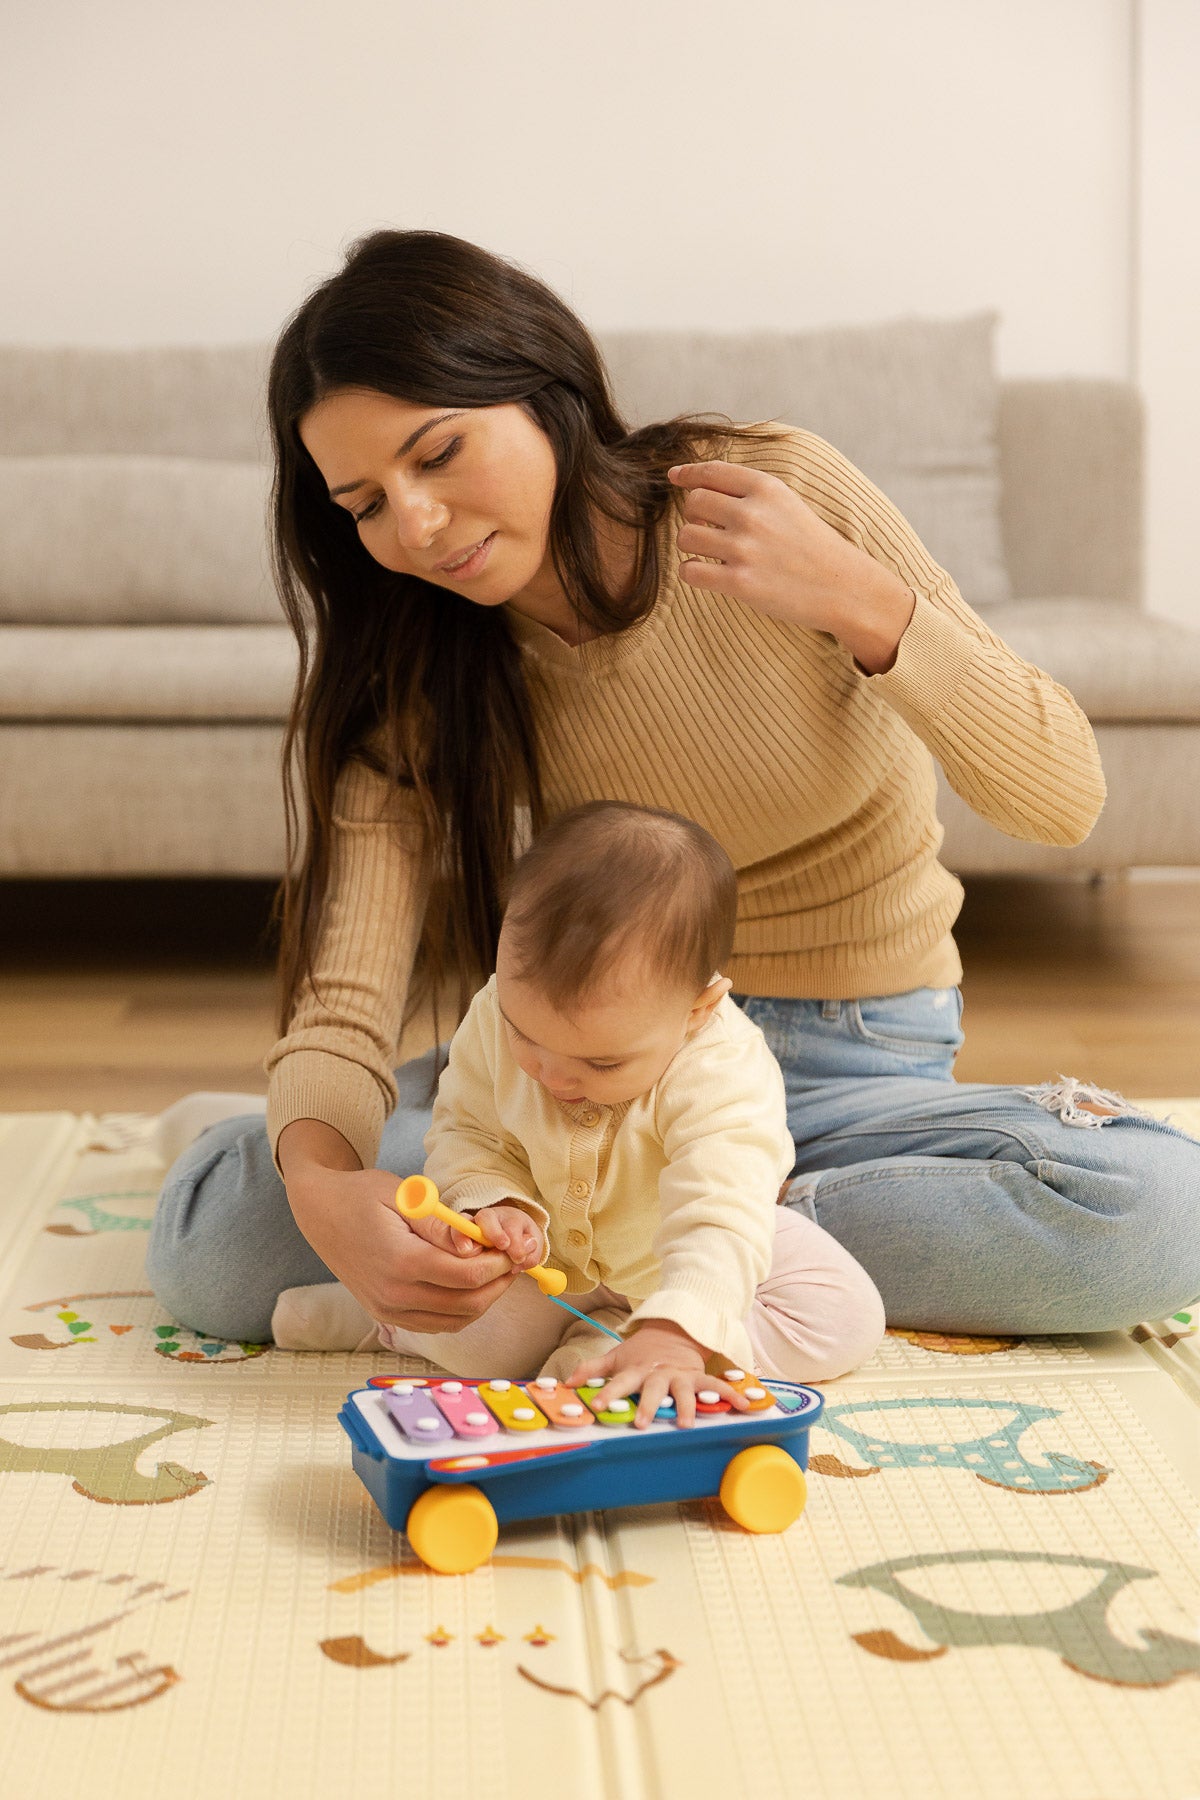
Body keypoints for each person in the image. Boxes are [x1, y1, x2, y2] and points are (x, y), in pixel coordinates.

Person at [146, 228, 1200, 1357]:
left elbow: (1062, 799)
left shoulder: (771, 491)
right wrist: (320, 1184)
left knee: (1152, 1210)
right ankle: (672, 1251)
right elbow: (346, 990)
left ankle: (634, 1253)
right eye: (364, 505)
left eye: (439, 453)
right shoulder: (417, 662)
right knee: (224, 1244)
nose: (414, 525)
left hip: (853, 1064)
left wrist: (866, 602)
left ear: (542, 387)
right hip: (572, 1074)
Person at [285, 799, 887, 1423]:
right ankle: (385, 1320)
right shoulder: (494, 1014)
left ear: (697, 1011)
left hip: (673, 1248)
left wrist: (682, 1330)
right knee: (484, 1339)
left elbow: (720, 1215)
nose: (551, 1077)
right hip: (548, 1261)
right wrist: (494, 1202)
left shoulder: (723, 1068)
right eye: (525, 1035)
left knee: (843, 1315)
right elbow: (468, 1130)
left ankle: (628, 1344)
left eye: (602, 1064)